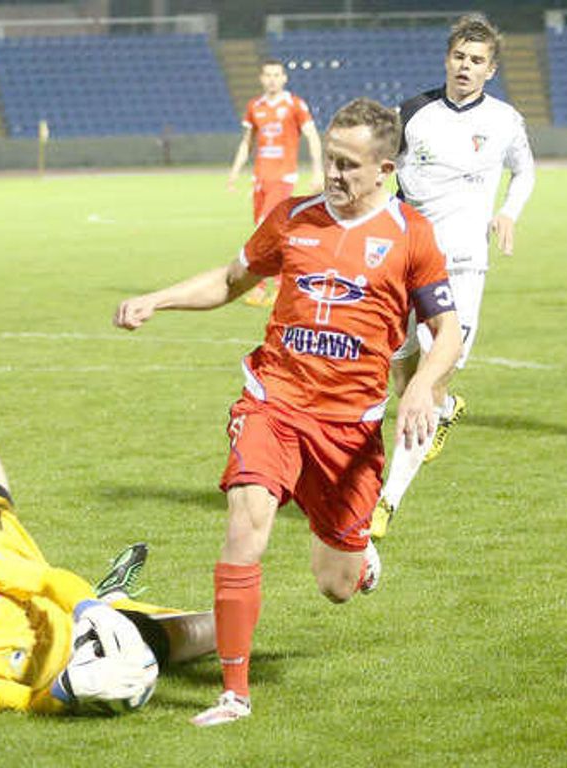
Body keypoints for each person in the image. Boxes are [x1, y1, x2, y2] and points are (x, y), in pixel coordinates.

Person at [115, 97, 462, 726]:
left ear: (385, 167)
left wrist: (421, 386)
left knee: (335, 583)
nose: (334, 174)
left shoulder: (411, 234)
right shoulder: (292, 218)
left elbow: (449, 330)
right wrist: (157, 299)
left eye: (350, 165)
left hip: (349, 429)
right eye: (330, 159)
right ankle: (234, 694)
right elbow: (229, 281)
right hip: (274, 402)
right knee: (246, 520)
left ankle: (358, 560)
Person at [0, 438, 216, 714]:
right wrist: (67, 692)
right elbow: (27, 702)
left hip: (30, 574)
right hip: (77, 658)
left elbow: (47, 580)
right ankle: (117, 601)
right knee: (228, 629)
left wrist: (90, 609)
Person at [372, 13, 535, 539]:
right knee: (405, 377)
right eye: (459, 57)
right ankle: (444, 410)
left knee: (425, 384)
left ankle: (385, 502)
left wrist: (508, 211)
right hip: (406, 261)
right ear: (448, 59)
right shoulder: (413, 114)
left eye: (477, 61)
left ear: (491, 69)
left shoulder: (506, 120)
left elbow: (525, 169)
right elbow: (382, 173)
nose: (466, 67)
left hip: (463, 268)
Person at [227, 58, 324, 307]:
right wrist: (235, 171)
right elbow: (247, 142)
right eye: (267, 75)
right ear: (261, 78)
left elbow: (312, 137)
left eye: (276, 75)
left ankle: (269, 287)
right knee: (262, 231)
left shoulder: (294, 105)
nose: (272, 79)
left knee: (267, 229)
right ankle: (270, 286)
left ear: (284, 78)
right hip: (260, 178)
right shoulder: (255, 106)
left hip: (282, 178)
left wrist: (317, 171)